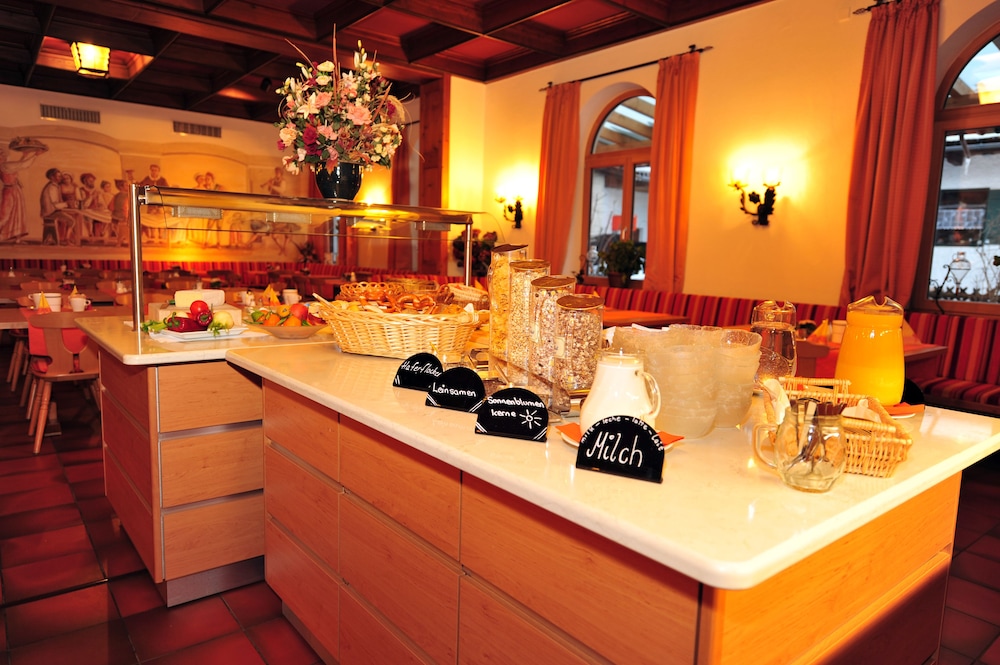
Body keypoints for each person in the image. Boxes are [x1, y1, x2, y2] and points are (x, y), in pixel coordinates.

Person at [0, 145, 42, 243]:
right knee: (4, 214)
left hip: (16, 190)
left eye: (3, 153)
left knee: (18, 214)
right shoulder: (4, 165)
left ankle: (17, 239)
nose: (3, 155)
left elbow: (17, 166)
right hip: (10, 191)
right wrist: (36, 155)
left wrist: (24, 156)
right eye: (1, 154)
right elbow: (22, 165)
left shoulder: (6, 165)